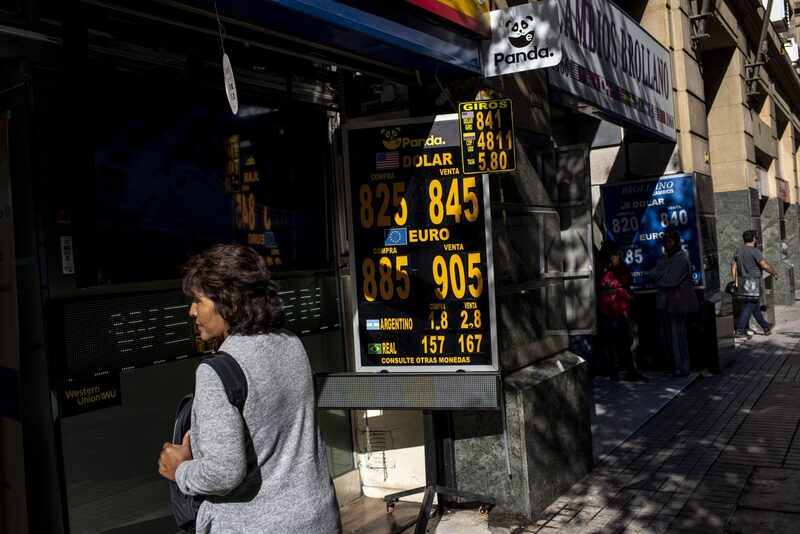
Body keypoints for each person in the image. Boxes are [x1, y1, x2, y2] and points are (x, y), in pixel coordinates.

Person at [157, 244, 342, 534]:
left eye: (198, 301)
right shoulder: (290, 343)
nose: (191, 311)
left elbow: (223, 473)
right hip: (317, 517)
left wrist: (179, 469)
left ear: (230, 304)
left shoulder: (217, 371)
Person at [596, 243, 649, 382]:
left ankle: (631, 371)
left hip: (622, 311)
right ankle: (613, 372)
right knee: (609, 344)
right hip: (606, 312)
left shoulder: (619, 265)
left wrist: (619, 267)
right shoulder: (598, 267)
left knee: (626, 343)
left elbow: (628, 281)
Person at [647, 232, 693, 378]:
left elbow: (670, 281)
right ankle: (672, 367)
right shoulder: (665, 259)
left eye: (670, 242)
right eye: (666, 242)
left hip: (676, 303)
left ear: (677, 243)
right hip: (663, 303)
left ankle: (681, 368)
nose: (667, 245)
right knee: (666, 337)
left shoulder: (681, 259)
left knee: (677, 337)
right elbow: (652, 273)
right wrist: (661, 276)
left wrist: (660, 279)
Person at [731, 230, 777, 338]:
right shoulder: (754, 251)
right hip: (753, 283)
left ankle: (765, 327)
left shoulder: (738, 251)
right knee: (750, 305)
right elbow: (764, 265)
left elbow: (733, 266)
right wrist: (774, 273)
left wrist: (735, 281)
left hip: (743, 282)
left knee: (754, 305)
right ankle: (740, 329)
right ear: (753, 239)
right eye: (756, 237)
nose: (756, 240)